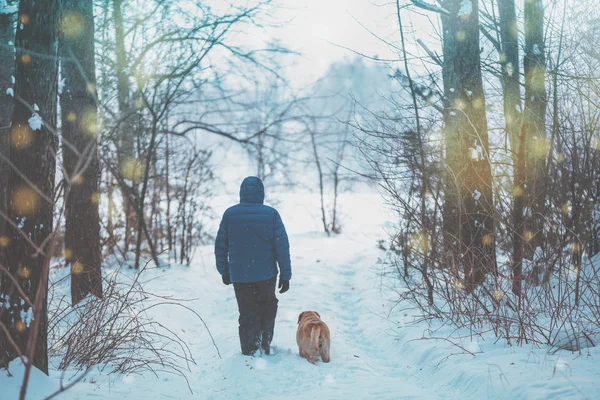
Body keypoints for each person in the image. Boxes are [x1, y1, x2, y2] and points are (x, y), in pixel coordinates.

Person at [215, 176, 292, 356]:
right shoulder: (271, 214)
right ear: (261, 193)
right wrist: (285, 275)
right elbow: (282, 246)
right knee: (267, 306)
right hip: (266, 274)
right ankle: (264, 342)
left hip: (240, 275)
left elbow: (220, 245)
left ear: (242, 192)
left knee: (247, 310)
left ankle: (249, 348)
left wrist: (224, 271)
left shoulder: (230, 214)